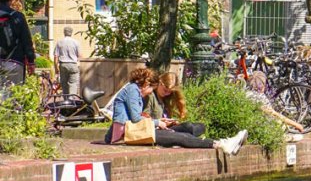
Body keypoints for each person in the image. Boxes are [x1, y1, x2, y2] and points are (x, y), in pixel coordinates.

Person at [105, 67, 247, 153]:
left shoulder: (134, 90)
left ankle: (222, 143)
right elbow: (136, 118)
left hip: (132, 131)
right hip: (124, 135)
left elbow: (136, 116)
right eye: (151, 89)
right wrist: (157, 123)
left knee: (179, 136)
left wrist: (159, 122)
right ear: (147, 84)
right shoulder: (132, 90)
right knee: (179, 137)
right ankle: (221, 144)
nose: (150, 92)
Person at [0, 0, 34, 87]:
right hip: (15, 62)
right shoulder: (18, 17)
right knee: (15, 97)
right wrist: (31, 61)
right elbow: (26, 40)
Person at [53, 26, 82, 96]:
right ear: (71, 33)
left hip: (63, 64)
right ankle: (71, 100)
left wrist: (56, 68)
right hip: (73, 64)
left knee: (64, 83)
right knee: (73, 83)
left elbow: (56, 57)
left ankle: (66, 100)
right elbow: (80, 56)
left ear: (64, 33)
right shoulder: (76, 42)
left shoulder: (59, 42)